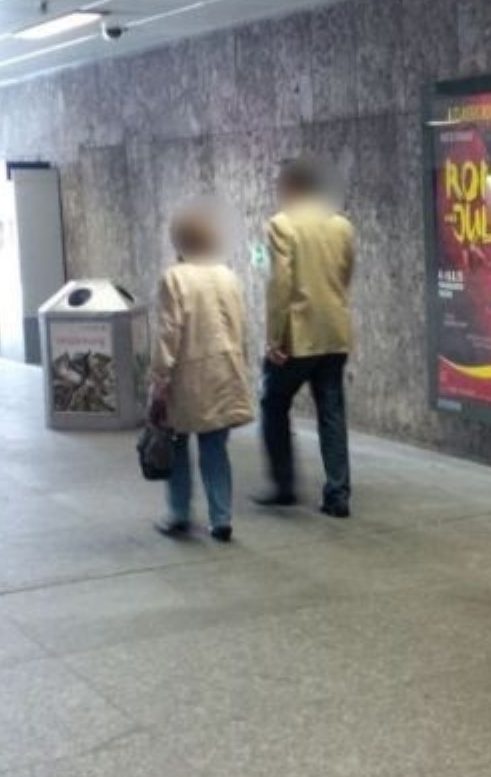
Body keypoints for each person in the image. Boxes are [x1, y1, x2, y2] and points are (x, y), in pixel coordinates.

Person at [257, 157, 356, 518]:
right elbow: (345, 274)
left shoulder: (282, 225)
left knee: (273, 403)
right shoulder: (342, 226)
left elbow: (280, 286)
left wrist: (275, 338)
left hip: (298, 336)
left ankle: (284, 485)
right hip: (335, 332)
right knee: (331, 411)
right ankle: (338, 494)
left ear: (291, 186)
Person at [149, 207, 254, 543]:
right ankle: (221, 519)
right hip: (225, 372)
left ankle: (179, 514)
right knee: (215, 447)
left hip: (188, 376)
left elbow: (169, 332)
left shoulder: (175, 278)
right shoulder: (228, 276)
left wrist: (159, 378)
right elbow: (241, 326)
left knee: (177, 444)